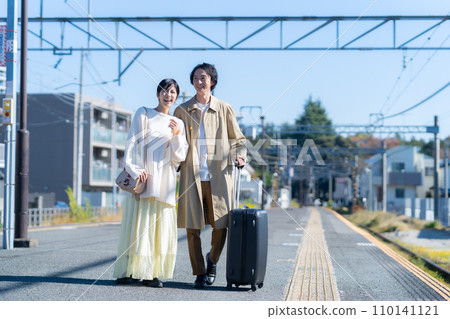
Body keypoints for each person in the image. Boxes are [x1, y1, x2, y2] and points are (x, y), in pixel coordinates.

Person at [174, 63, 246, 289]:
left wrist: (240, 155)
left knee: (221, 225)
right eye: (195, 77)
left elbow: (239, 139)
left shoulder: (224, 108)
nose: (199, 81)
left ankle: (212, 261)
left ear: (212, 81)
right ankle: (198, 272)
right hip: (191, 176)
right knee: (192, 227)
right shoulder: (182, 110)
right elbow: (173, 141)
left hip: (219, 176)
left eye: (203, 77)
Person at [113, 78, 189, 288]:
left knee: (158, 228)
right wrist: (136, 169)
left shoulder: (178, 123)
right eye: (165, 91)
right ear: (157, 94)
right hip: (145, 179)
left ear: (176, 96)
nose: (168, 95)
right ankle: (129, 271)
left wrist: (176, 135)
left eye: (173, 92)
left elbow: (179, 156)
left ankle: (151, 273)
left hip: (165, 181)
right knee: (138, 225)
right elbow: (132, 142)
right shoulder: (144, 113)